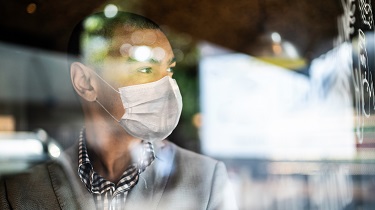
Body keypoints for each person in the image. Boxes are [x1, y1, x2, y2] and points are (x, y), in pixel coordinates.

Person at [0, 12, 237, 209]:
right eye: (145, 70)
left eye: (170, 71)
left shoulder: (207, 179)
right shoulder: (18, 192)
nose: (167, 87)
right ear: (85, 82)